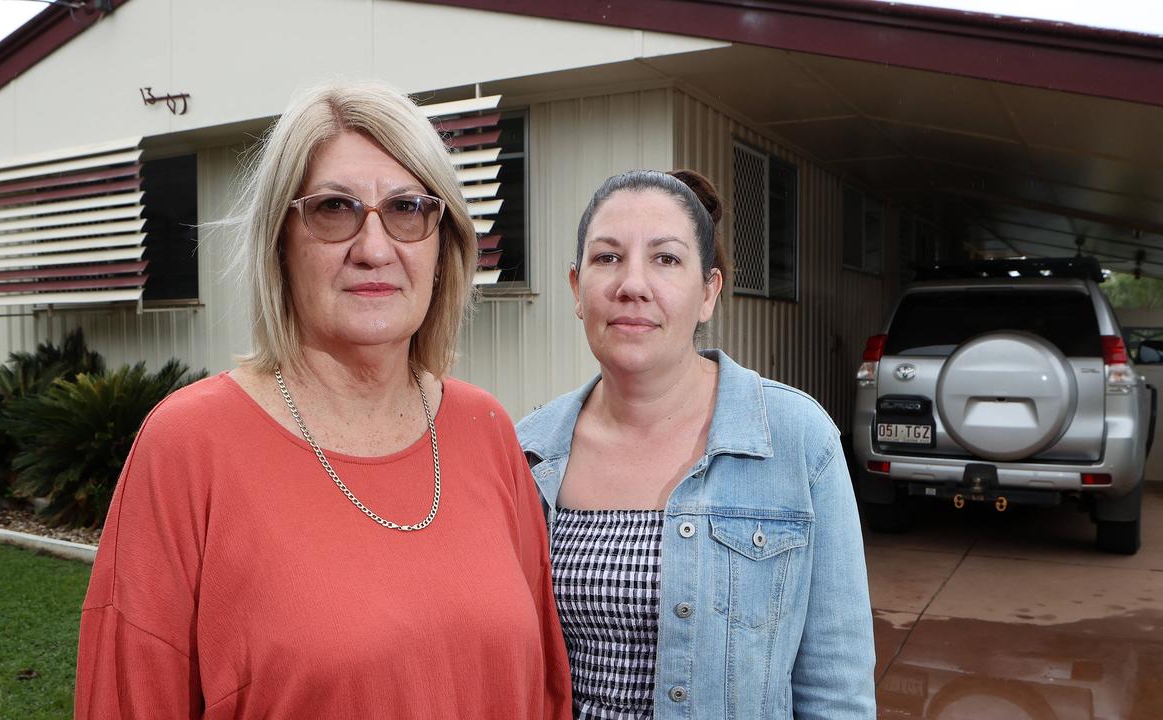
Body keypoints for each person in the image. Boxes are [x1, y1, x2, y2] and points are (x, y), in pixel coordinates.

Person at [75, 82, 571, 719]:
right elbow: (129, 699)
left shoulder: (485, 426)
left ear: (442, 249)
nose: (373, 248)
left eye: (407, 209)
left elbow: (545, 695)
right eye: (334, 209)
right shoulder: (189, 445)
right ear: (281, 243)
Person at [516, 169, 875, 719]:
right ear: (576, 289)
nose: (631, 284)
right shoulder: (528, 452)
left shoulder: (796, 440)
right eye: (608, 257)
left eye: (666, 259)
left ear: (708, 292)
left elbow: (836, 688)